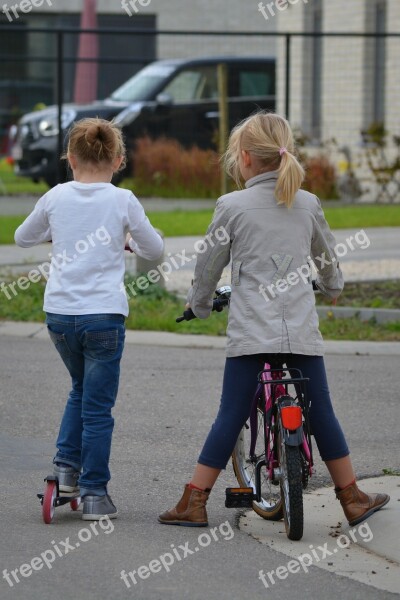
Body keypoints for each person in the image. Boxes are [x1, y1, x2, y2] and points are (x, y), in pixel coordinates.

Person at [158, 111, 389, 528]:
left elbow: (207, 266)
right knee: (322, 413)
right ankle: (352, 497)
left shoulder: (231, 206)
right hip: (300, 332)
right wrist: (332, 287)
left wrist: (200, 304)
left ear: (244, 158)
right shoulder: (307, 202)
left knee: (231, 414)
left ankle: (194, 502)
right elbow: (327, 260)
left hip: (251, 333)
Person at [15, 118, 163, 520]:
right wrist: (127, 240)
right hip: (103, 318)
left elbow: (22, 237)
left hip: (60, 316)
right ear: (118, 160)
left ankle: (66, 470)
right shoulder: (123, 200)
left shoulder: (55, 197)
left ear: (69, 159)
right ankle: (95, 493)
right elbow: (155, 248)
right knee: (97, 407)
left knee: (79, 388)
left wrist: (56, 233)